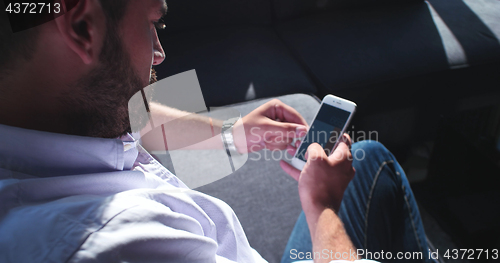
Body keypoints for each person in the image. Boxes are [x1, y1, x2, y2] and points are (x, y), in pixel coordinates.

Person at [0, 0, 431, 262]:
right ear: (81, 27)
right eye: (154, 22)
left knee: (368, 158)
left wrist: (232, 132)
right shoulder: (122, 245)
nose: (159, 50)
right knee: (370, 160)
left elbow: (134, 110)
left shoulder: (38, 106)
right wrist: (322, 206)